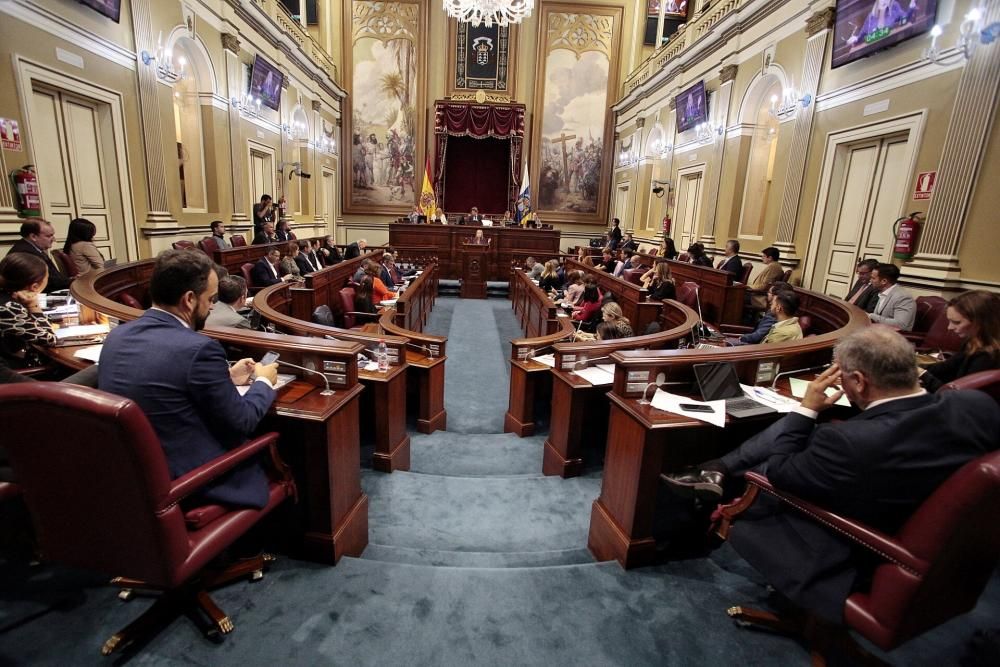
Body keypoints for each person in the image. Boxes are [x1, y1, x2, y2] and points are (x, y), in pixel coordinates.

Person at [663, 326, 1000, 622]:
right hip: (949, 548)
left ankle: (713, 478)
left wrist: (807, 409)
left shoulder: (850, 442)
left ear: (858, 381)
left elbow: (780, 474)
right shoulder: (976, 407)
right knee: (804, 436)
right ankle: (716, 469)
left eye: (844, 379)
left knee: (765, 468)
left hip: (864, 546)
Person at [99, 249, 280, 509]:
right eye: (211, 299)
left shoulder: (117, 336)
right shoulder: (198, 348)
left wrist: (226, 378)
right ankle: (254, 549)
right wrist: (263, 380)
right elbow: (243, 421)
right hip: (190, 480)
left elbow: (165, 387)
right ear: (189, 299)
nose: (213, 307)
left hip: (131, 474)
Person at [920, 290, 1000, 392]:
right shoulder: (972, 342)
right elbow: (946, 367)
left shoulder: (989, 357)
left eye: (956, 322)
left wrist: (923, 375)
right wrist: (910, 367)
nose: (949, 327)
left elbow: (959, 396)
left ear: (981, 322)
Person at [0, 253, 57, 369]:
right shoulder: (9, 307)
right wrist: (33, 306)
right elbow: (49, 339)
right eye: (47, 277)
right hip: (18, 375)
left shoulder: (6, 298)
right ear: (34, 287)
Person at [8, 220, 70, 293]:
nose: (54, 239)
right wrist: (73, 281)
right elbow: (49, 283)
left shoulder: (32, 248)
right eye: (49, 236)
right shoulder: (26, 253)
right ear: (33, 236)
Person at [868, 263, 916, 331]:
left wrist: (871, 316)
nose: (870, 281)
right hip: (879, 332)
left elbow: (901, 325)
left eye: (873, 278)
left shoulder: (903, 297)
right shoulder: (883, 292)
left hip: (893, 338)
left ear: (884, 281)